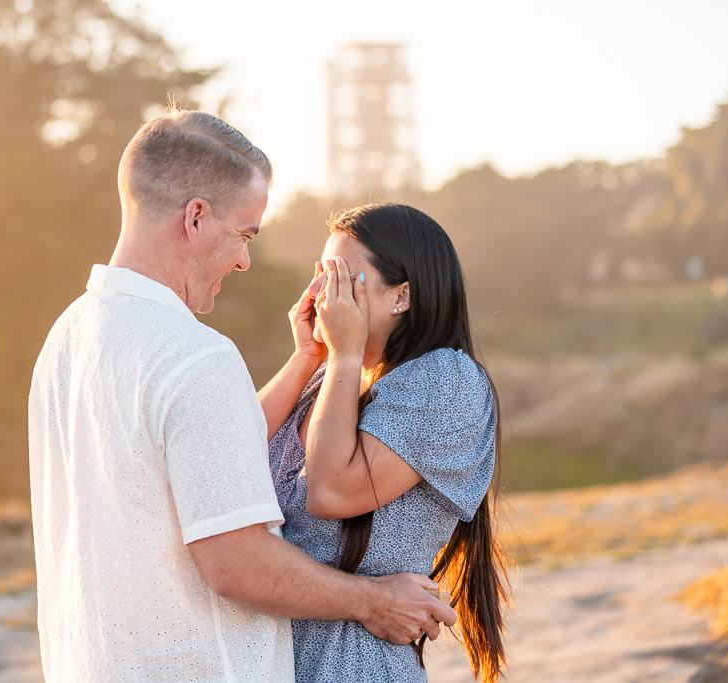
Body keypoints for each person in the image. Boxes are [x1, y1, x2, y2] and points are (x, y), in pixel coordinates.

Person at [27, 111, 457, 682]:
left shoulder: (67, 339)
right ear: (197, 218)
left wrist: (309, 357)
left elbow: (214, 460)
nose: (244, 260)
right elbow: (236, 565)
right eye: (245, 234)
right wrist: (372, 601)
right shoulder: (195, 356)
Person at [259, 203, 509, 682]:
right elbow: (222, 453)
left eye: (344, 279)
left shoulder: (446, 380)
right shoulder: (329, 381)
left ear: (402, 296)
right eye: (323, 276)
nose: (326, 296)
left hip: (348, 665)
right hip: (273, 658)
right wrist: (307, 357)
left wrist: (346, 353)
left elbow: (332, 492)